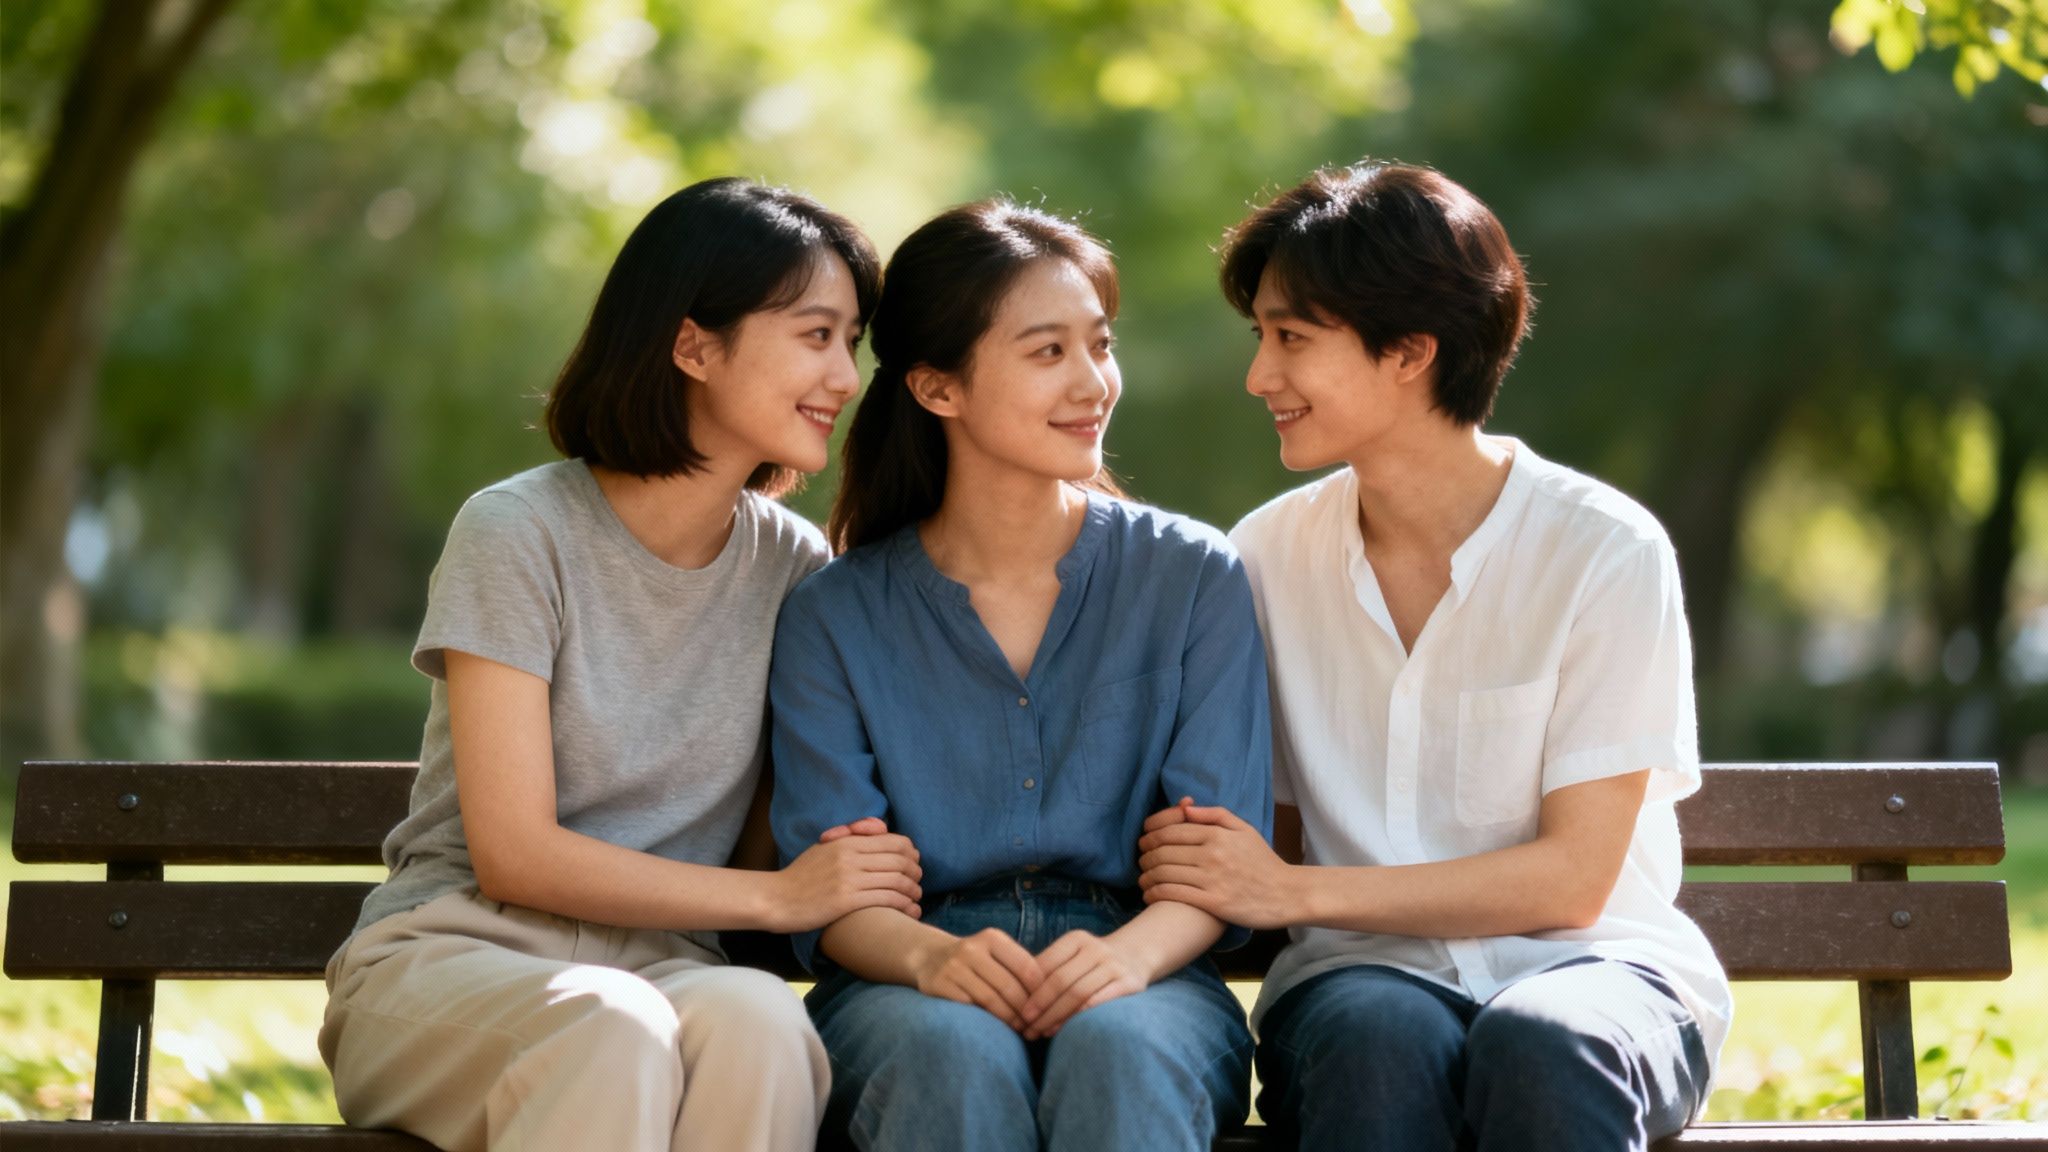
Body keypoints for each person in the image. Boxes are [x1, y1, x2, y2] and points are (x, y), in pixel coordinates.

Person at [319, 177, 925, 1152]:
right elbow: (515, 855)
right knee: (609, 1026)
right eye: (815, 335)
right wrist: (778, 898)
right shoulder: (518, 531)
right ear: (693, 346)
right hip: (455, 956)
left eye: (850, 342)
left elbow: (769, 830)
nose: (845, 378)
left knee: (764, 1025)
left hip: (668, 968)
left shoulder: (794, 568)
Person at [1135, 161, 1731, 1151]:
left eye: (1291, 338)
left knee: (1542, 1044)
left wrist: (1293, 892)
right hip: (1357, 980)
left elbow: (1572, 882)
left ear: (1410, 351)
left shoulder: (1603, 550)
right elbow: (1253, 819)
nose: (1259, 376)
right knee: (1375, 1039)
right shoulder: (1263, 558)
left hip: (1597, 972)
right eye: (1260, 338)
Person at [769, 199, 1272, 1152]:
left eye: (1101, 345)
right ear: (936, 387)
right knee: (950, 1055)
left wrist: (1126, 961)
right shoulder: (834, 614)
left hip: (1148, 967)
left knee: (1119, 1049)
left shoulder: (1192, 576)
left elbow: (1215, 860)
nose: (1093, 383)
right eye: (1048, 352)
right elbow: (837, 891)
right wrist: (931, 958)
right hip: (907, 975)